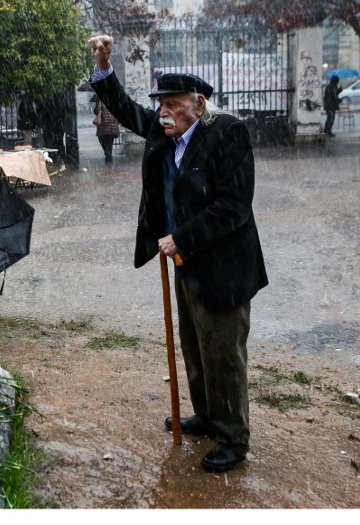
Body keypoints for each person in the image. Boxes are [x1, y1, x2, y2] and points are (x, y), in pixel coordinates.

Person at [88, 35, 268, 473]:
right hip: (185, 264)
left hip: (223, 268)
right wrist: (102, 63)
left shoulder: (228, 134)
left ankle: (233, 437)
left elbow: (234, 206)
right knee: (195, 346)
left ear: (199, 105)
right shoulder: (163, 132)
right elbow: (126, 108)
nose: (163, 112)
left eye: (173, 104)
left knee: (223, 353)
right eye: (161, 104)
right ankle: (207, 417)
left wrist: (182, 238)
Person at [93, 98, 120, 165]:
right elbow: (118, 111)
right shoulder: (114, 100)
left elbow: (96, 111)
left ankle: (107, 154)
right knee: (110, 141)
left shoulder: (100, 99)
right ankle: (108, 155)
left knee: (102, 140)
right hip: (112, 125)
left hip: (103, 125)